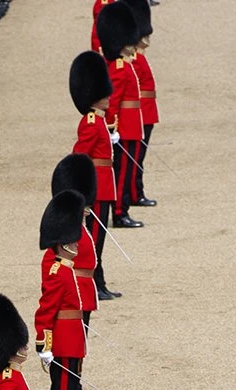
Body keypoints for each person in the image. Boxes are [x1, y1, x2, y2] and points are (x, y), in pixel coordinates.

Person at [34, 190, 89, 390]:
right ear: (64, 243)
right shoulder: (58, 269)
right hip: (64, 342)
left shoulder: (64, 266)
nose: (77, 244)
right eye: (73, 241)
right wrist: (44, 344)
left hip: (73, 339)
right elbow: (46, 309)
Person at [49, 155, 103, 390]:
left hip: (84, 293)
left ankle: (76, 386)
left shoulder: (78, 226)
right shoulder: (66, 231)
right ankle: (72, 388)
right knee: (70, 350)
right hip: (74, 295)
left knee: (79, 347)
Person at [69, 50, 119, 300]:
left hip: (105, 185)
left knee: (100, 240)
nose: (109, 96)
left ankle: (100, 282)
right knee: (95, 240)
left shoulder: (98, 121)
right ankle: (94, 284)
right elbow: (79, 157)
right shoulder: (90, 122)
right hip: (96, 186)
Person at [95, 1, 143, 229]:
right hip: (124, 127)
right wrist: (112, 127)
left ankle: (123, 209)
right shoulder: (119, 67)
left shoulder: (124, 64)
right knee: (122, 174)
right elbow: (112, 103)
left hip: (132, 125)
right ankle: (120, 213)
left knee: (128, 170)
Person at [123, 0, 158, 206]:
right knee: (134, 159)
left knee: (138, 158)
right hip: (139, 113)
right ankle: (134, 193)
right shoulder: (133, 59)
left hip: (147, 112)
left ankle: (136, 192)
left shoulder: (139, 58)